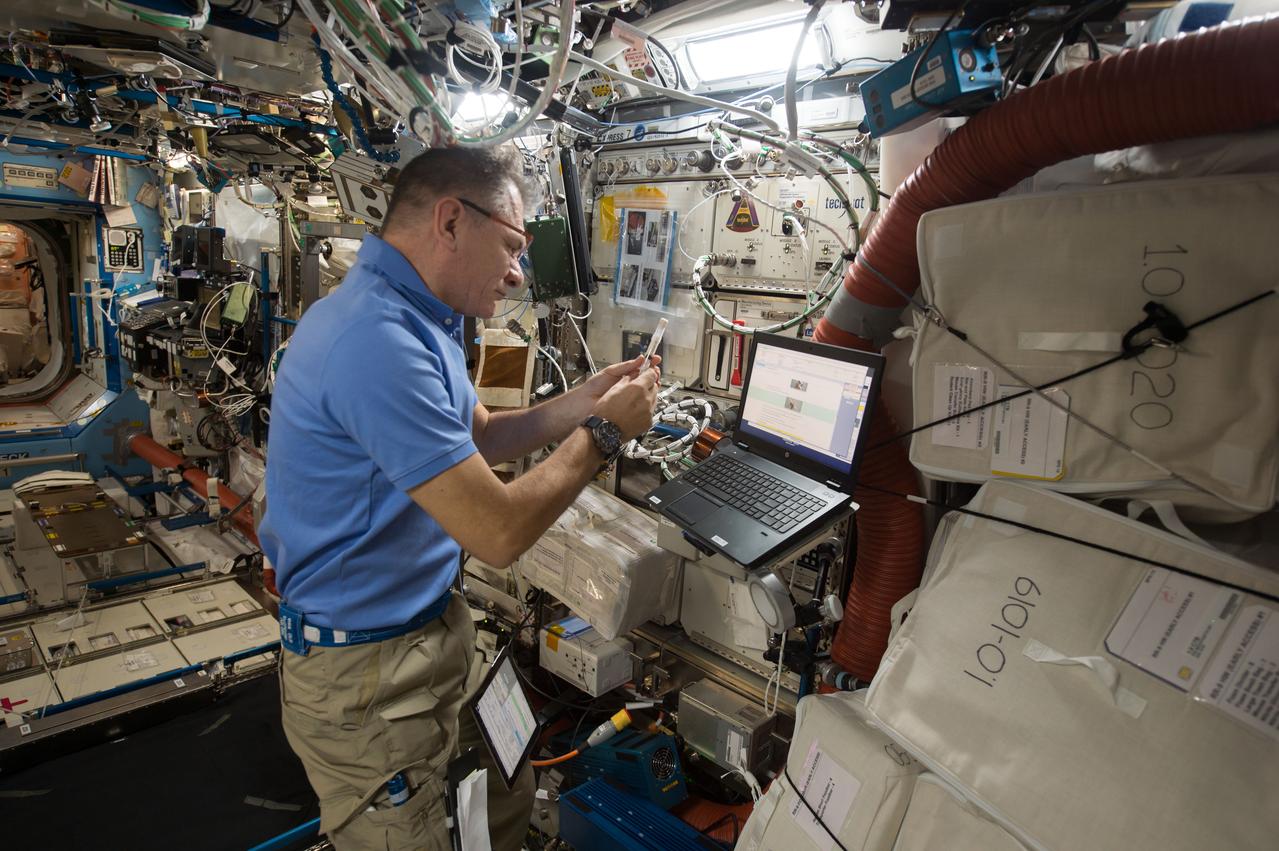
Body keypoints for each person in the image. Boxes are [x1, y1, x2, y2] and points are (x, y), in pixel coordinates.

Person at [259, 145, 659, 851]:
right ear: (450, 220)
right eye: (510, 245)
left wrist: (583, 403)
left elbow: (480, 435)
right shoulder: (374, 340)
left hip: (433, 636)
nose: (516, 271)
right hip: (369, 681)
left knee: (502, 792)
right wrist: (602, 434)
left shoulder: (420, 318)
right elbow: (497, 532)